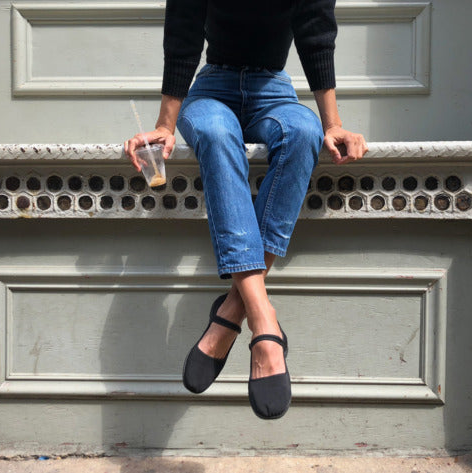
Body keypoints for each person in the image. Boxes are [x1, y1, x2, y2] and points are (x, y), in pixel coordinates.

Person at [127, 0, 367, 420]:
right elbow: (183, 28)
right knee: (218, 136)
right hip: (210, 90)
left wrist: (332, 124)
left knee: (302, 132)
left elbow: (315, 32)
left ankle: (230, 313)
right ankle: (264, 321)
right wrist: (166, 124)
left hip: (273, 89)